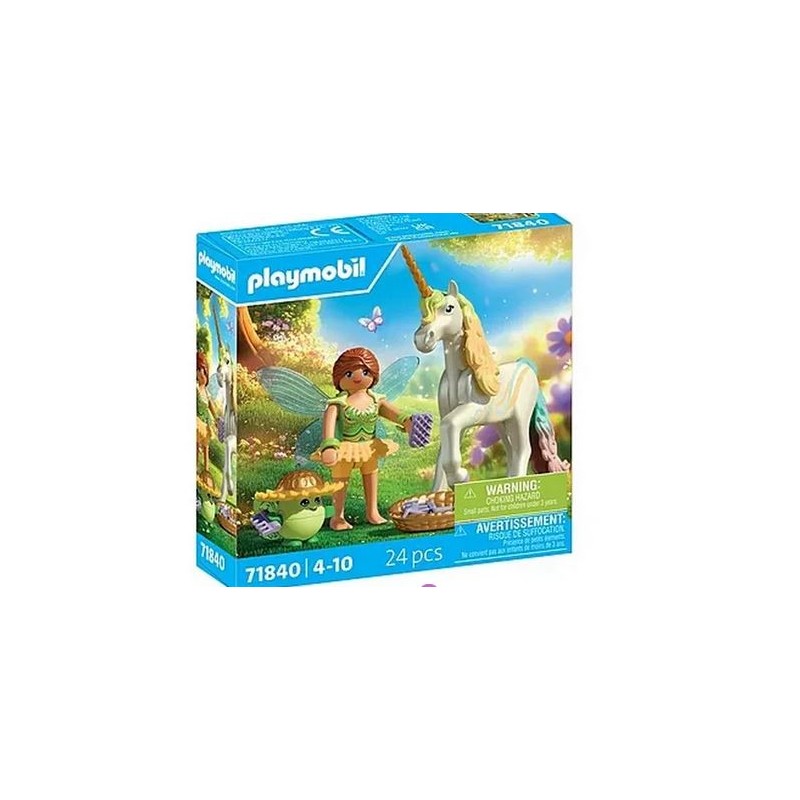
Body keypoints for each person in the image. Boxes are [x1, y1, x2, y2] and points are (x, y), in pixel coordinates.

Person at [312, 347, 412, 530]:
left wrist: (406, 420)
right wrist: (329, 445)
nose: (357, 377)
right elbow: (329, 424)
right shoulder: (337, 403)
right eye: (349, 373)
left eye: (365, 372)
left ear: (373, 373)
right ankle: (338, 517)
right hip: (345, 449)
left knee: (371, 476)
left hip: (369, 447)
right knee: (340, 481)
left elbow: (391, 412)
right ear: (339, 377)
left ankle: (372, 512)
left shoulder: (376, 400)